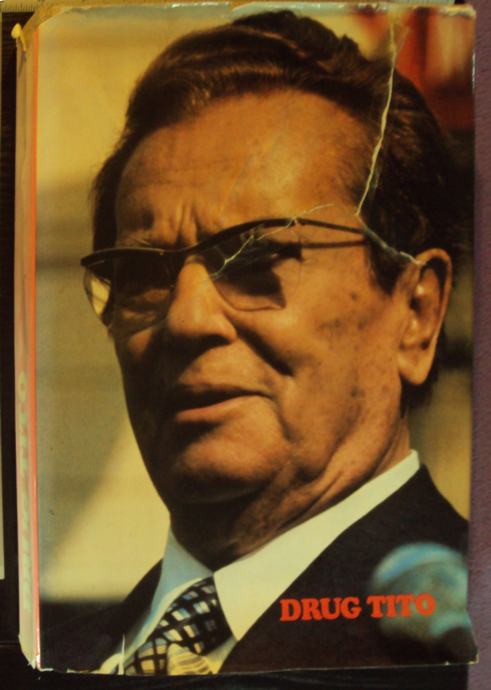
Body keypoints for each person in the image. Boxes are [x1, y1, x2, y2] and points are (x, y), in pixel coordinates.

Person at [46, 9, 473, 675]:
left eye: (255, 259)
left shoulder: (460, 644)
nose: (186, 319)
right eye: (142, 273)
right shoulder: (46, 656)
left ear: (415, 312)